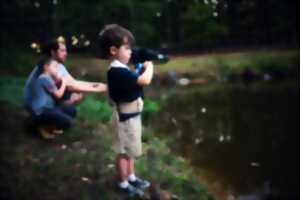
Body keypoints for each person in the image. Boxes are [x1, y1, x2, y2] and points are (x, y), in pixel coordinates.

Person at [98, 24, 154, 196]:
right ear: (114, 50)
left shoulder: (121, 69)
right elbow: (144, 81)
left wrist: (138, 69)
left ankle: (131, 177)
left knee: (129, 150)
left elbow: (133, 79)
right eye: (127, 48)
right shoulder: (116, 71)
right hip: (125, 118)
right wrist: (150, 66)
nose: (130, 51)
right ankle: (123, 184)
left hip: (131, 116)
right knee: (123, 152)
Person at [24, 40, 107, 137]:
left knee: (72, 108)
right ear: (53, 52)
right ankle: (37, 124)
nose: (66, 54)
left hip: (43, 105)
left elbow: (73, 82)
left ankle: (49, 123)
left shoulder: (52, 65)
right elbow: (71, 85)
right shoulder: (50, 68)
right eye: (62, 51)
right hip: (38, 108)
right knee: (71, 104)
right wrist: (100, 88)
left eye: (66, 51)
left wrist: (99, 85)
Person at [26, 57, 74, 139]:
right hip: (40, 111)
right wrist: (64, 83)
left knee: (71, 110)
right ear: (46, 67)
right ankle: (40, 126)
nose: (57, 69)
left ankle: (50, 126)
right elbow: (58, 95)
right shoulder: (44, 78)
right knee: (68, 122)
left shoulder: (47, 78)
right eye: (55, 66)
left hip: (49, 108)